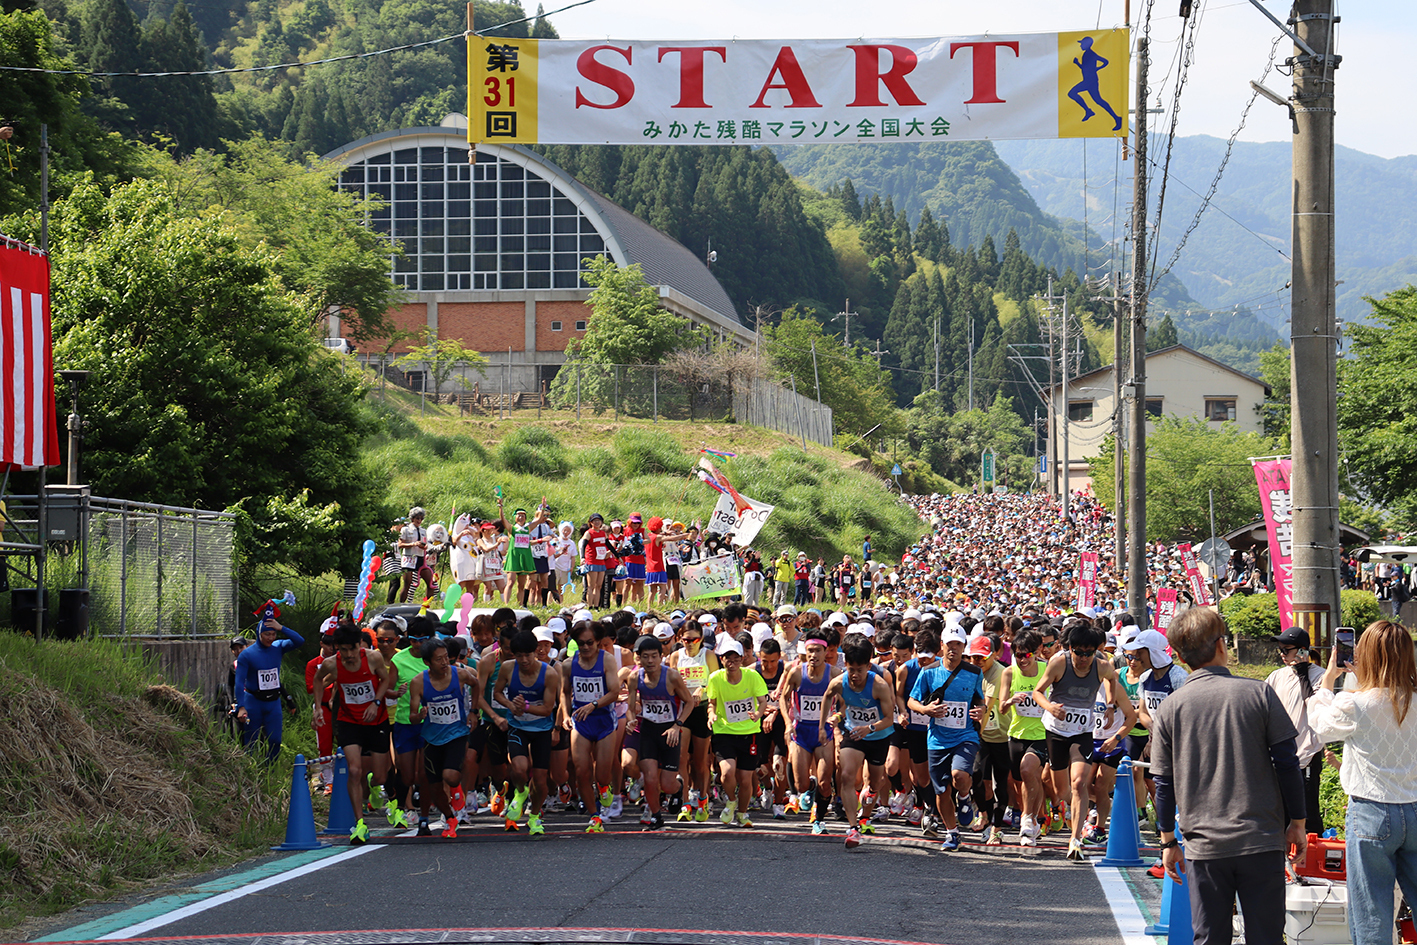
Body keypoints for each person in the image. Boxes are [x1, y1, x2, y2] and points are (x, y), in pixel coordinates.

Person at [1150, 608, 1308, 945]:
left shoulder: (1169, 708)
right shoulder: (1259, 693)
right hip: (1260, 839)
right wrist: (1297, 821)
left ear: (1180, 657)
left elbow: (1163, 782)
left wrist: (1168, 841)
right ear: (1222, 645)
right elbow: (1287, 762)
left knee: (1209, 937)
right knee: (1266, 937)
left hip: (1203, 844)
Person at [1307, 620, 1417, 945]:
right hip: (1414, 807)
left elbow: (1320, 725)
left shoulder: (1355, 703)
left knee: (1371, 914)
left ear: (1364, 655)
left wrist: (1329, 679)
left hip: (1371, 813)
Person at [1032, 619, 1133, 861]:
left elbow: (1112, 679)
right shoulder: (1059, 663)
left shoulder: (1101, 666)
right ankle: (1072, 808)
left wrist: (1110, 706)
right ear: (1070, 649)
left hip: (1082, 732)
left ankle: (1075, 839)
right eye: (1079, 652)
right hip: (1056, 731)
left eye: (1089, 653)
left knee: (1079, 783)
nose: (1084, 658)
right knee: (1062, 790)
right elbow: (1037, 692)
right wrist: (1050, 707)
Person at [312, 623, 394, 845]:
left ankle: (374, 783)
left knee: (381, 776)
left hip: (376, 719)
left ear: (360, 645)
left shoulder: (373, 658)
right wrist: (318, 707)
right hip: (348, 721)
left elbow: (385, 680)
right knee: (354, 770)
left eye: (352, 649)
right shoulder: (332, 664)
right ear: (337, 648)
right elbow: (318, 680)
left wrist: (376, 702)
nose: (348, 655)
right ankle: (359, 824)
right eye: (343, 650)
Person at [908, 625, 985, 852]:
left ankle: (964, 796)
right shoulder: (929, 671)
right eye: (949, 644)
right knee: (941, 790)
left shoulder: (974, 672)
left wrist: (981, 710)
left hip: (965, 734)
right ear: (942, 646)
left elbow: (980, 700)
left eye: (958, 644)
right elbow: (912, 701)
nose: (953, 649)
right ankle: (952, 833)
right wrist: (925, 710)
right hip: (937, 739)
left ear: (964, 646)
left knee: (959, 775)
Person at [824, 635, 898, 849]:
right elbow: (827, 697)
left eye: (859, 670)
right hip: (854, 733)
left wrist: (870, 728)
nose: (855, 675)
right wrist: (825, 723)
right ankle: (853, 828)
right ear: (845, 664)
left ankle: (871, 796)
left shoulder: (880, 684)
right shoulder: (839, 682)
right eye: (851, 669)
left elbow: (888, 719)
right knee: (847, 776)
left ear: (868, 666)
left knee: (875, 782)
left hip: (878, 736)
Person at [408, 636, 479, 838]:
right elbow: (412, 717)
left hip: (457, 732)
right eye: (438, 659)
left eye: (446, 657)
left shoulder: (460, 674)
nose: (444, 662)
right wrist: (419, 715)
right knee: (435, 787)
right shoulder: (418, 682)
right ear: (427, 662)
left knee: (450, 775)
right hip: (432, 737)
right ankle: (450, 817)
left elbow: (476, 684)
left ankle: (457, 791)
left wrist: (473, 711)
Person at [494, 628, 562, 835]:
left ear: (535, 653)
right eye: (519, 655)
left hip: (541, 729)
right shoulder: (508, 668)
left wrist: (525, 707)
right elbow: (497, 693)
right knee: (519, 768)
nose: (524, 660)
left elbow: (548, 709)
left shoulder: (549, 673)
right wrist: (510, 705)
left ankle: (534, 816)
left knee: (540, 780)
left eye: (528, 655)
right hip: (518, 727)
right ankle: (521, 792)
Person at [625, 634, 696, 830]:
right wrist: (630, 721)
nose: (650, 661)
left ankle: (678, 788)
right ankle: (656, 816)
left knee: (666, 785)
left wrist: (677, 725)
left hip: (670, 731)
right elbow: (630, 708)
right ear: (639, 658)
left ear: (661, 656)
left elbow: (689, 702)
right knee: (649, 778)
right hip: (648, 731)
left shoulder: (672, 676)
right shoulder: (634, 677)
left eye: (654, 656)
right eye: (645, 656)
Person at [1264, 626, 1328, 835]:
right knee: (1278, 815)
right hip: (1280, 755)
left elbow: (1315, 706)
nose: (1282, 654)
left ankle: (1310, 855)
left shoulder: (1320, 676)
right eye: (1280, 650)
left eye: (1287, 650)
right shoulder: (1276, 676)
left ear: (1302, 651)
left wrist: (1302, 673)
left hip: (1307, 755)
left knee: (1308, 816)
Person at [704, 636, 769, 827]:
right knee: (727, 772)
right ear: (721, 659)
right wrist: (711, 714)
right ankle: (731, 800)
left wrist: (758, 714)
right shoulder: (715, 678)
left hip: (749, 732)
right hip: (724, 731)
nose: (731, 663)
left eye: (736, 659)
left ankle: (742, 813)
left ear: (742, 659)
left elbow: (763, 701)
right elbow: (712, 703)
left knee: (745, 778)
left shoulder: (752, 676)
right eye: (728, 659)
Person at [563, 620, 621, 832]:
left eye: (590, 642)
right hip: (581, 721)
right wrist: (565, 715)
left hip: (604, 720)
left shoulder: (607, 660)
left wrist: (593, 705)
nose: (586, 647)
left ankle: (604, 787)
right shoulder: (568, 664)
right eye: (581, 643)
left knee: (602, 774)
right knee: (581, 771)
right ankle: (594, 816)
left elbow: (614, 692)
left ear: (597, 641)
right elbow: (564, 692)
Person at [233, 603, 305, 765]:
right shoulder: (247, 655)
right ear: (259, 634)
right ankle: (251, 771)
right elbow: (239, 682)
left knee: (275, 740)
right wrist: (241, 706)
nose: (271, 638)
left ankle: (269, 770)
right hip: (253, 701)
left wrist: (281, 628)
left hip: (273, 703)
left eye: (273, 634)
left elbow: (299, 641)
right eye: (267, 634)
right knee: (250, 742)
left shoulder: (277, 647)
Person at [669, 618, 719, 821]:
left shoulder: (708, 655)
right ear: (680, 639)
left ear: (701, 639)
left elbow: (716, 682)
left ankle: (703, 799)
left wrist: (703, 688)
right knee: (681, 758)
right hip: (683, 709)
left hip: (702, 709)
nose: (690, 644)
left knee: (700, 762)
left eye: (695, 640)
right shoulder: (675, 656)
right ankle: (685, 803)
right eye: (686, 640)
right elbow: (671, 682)